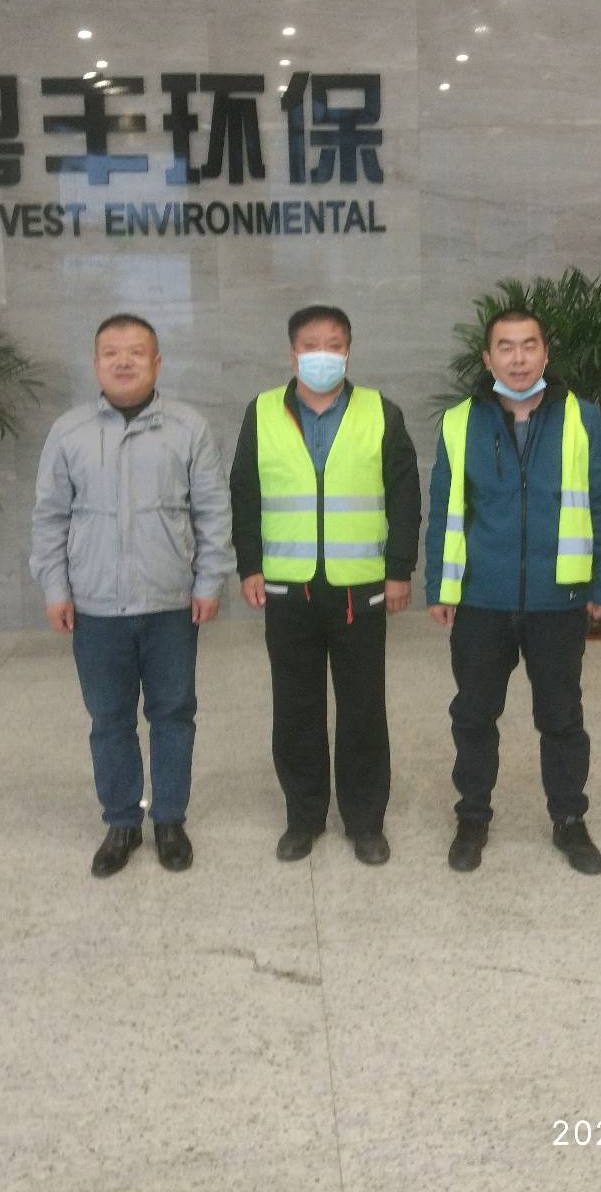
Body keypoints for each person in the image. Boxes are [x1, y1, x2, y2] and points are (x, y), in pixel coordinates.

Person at [30, 314, 234, 878]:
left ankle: (169, 819)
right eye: (112, 353)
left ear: (157, 363)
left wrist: (209, 581)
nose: (124, 362)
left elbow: (212, 511)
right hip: (95, 607)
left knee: (173, 714)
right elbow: (49, 517)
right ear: (95, 363)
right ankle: (121, 821)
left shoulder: (188, 429)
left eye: (136, 352)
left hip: (170, 605)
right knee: (109, 717)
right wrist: (55, 588)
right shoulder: (68, 432)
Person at [425, 308, 601, 874]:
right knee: (474, 714)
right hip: (481, 599)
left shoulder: (581, 418)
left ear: (545, 353)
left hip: (557, 599)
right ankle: (472, 817)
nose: (518, 358)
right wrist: (440, 585)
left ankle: (569, 819)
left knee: (561, 716)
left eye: (529, 345)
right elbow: (445, 509)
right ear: (488, 358)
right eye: (506, 347)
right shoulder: (460, 422)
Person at [230, 305, 421, 866]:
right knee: (295, 707)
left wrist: (399, 569)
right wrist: (249, 565)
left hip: (360, 588)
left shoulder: (381, 412)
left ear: (348, 352)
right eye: (311, 345)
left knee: (363, 709)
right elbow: (244, 493)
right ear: (293, 354)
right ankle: (304, 816)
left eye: (334, 344)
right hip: (288, 588)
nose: (322, 354)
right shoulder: (262, 412)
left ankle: (365, 821)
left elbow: (405, 496)